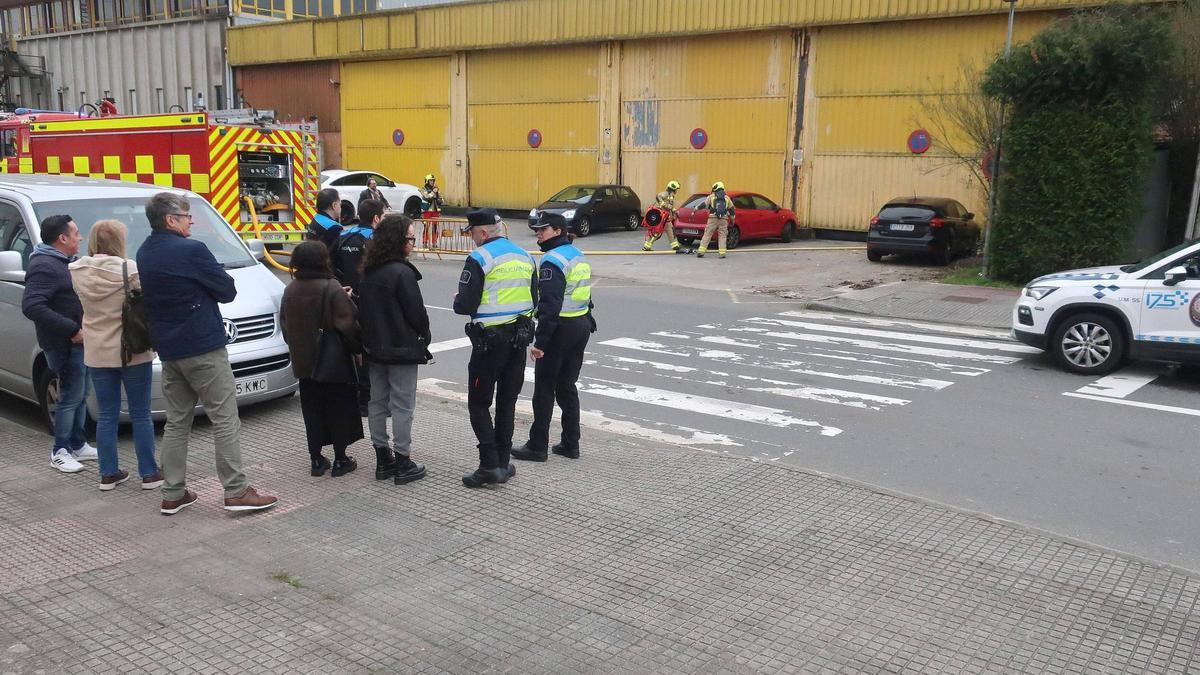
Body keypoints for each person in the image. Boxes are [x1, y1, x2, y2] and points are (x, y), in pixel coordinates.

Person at [137, 192, 278, 515]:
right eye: (187, 216)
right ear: (171, 220)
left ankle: (172, 492)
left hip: (170, 350)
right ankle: (236, 490)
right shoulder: (191, 250)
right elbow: (226, 290)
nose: (192, 221)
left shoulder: (145, 252)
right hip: (203, 347)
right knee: (225, 419)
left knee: (177, 422)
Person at [68, 220, 163, 490]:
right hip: (131, 349)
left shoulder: (76, 270)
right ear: (118, 242)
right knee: (141, 413)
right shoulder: (129, 269)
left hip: (97, 351)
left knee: (107, 414)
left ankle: (108, 473)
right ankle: (149, 473)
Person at [453, 207, 536, 488]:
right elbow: (534, 300)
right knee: (507, 402)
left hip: (490, 343)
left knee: (478, 403)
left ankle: (489, 465)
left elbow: (465, 304)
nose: (472, 239)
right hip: (518, 340)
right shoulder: (525, 257)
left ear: (484, 232)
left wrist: (458, 299)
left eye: (473, 234)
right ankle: (502, 461)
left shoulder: (480, 258)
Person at [513, 213, 595, 463]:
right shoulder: (575, 253)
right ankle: (571, 444)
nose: (538, 233)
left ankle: (538, 447)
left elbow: (550, 306)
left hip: (560, 329)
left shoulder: (552, 261)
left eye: (543, 229)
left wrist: (539, 343)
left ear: (558, 230)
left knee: (544, 390)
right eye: (537, 229)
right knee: (567, 387)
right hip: (580, 325)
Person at [280, 241, 364, 478]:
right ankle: (340, 459)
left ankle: (316, 459)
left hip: (303, 363)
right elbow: (348, 324)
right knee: (338, 408)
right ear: (322, 260)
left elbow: (286, 327)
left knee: (312, 411)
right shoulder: (331, 287)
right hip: (332, 363)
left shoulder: (291, 289)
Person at [21, 214, 97, 473]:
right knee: (69, 396)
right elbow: (32, 306)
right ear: (62, 238)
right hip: (64, 343)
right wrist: (72, 329)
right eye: (76, 233)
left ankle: (77, 443)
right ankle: (60, 450)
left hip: (79, 342)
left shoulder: (64, 262)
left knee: (81, 392)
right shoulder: (45, 265)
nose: (80, 237)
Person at [358, 214, 430, 486]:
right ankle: (403, 461)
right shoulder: (402, 273)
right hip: (401, 349)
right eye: (410, 237)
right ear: (398, 240)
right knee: (402, 406)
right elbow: (416, 313)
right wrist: (424, 335)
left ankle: (382, 459)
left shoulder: (369, 271)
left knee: (377, 403)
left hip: (374, 349)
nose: (413, 242)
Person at [334, 197, 385, 416]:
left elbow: (333, 265)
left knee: (351, 347)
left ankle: (353, 396)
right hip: (368, 301)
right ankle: (367, 400)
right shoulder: (376, 240)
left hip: (345, 298)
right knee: (369, 351)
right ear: (376, 218)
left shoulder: (344, 235)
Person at [642, 179, 684, 252]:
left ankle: (675, 246)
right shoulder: (665, 194)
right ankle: (647, 246)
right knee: (656, 231)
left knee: (670, 230)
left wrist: (674, 212)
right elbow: (658, 196)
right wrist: (665, 204)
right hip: (661, 216)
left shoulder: (671, 196)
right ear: (673, 189)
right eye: (676, 189)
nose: (677, 191)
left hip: (666, 217)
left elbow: (670, 207)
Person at [697, 181, 736, 259]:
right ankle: (722, 253)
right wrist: (732, 220)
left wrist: (696, 209)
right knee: (722, 236)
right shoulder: (727, 198)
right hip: (724, 219)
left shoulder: (711, 197)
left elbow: (704, 204)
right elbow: (732, 210)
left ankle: (701, 252)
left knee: (707, 234)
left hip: (712, 218)